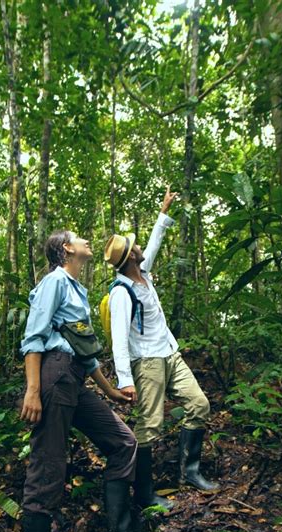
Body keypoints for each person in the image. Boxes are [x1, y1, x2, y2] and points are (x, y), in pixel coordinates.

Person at [20, 229, 147, 532]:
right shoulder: (55, 282)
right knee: (48, 473)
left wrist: (110, 392)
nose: (88, 242)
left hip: (75, 377)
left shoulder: (78, 290)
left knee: (123, 442)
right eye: (79, 238)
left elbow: (86, 354)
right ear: (66, 250)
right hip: (54, 378)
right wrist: (31, 390)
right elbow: (34, 337)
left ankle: (119, 531)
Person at [104, 186, 220, 514]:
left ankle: (190, 472)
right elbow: (119, 342)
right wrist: (125, 380)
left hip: (170, 354)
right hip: (148, 363)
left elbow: (153, 243)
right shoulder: (122, 293)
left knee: (199, 403)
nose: (139, 246)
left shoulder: (144, 274)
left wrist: (164, 212)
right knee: (149, 426)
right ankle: (144, 493)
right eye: (134, 246)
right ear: (129, 258)